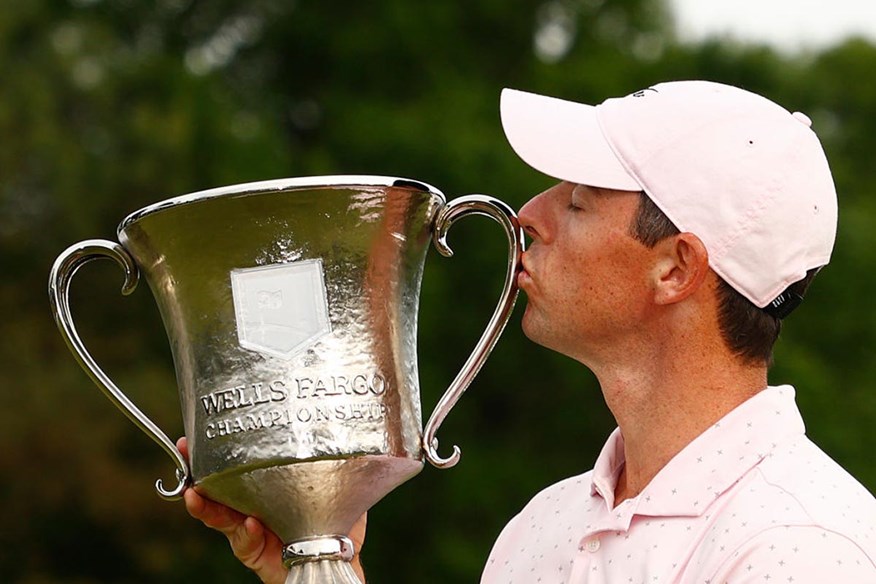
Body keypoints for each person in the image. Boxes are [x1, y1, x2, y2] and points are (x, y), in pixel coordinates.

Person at [182, 80, 876, 582]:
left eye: (576, 201)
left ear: (674, 268)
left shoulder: (801, 546)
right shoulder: (545, 523)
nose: (528, 216)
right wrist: (322, 561)